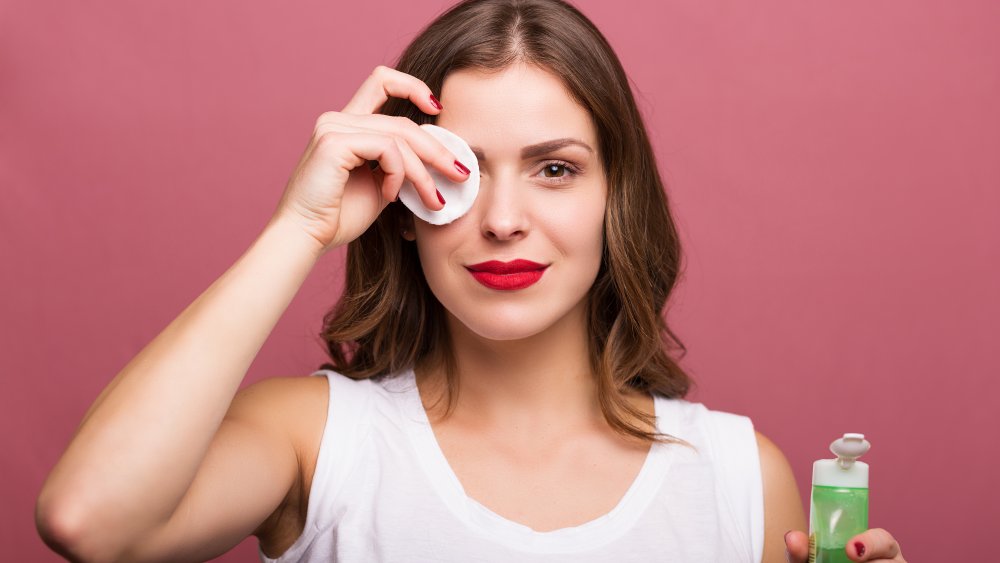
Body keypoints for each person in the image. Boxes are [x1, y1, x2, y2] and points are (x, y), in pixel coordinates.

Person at [35, 0, 906, 561]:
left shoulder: (739, 478)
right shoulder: (313, 440)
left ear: (617, 197)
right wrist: (299, 228)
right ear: (405, 201)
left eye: (555, 169)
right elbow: (89, 520)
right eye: (459, 170)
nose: (501, 218)